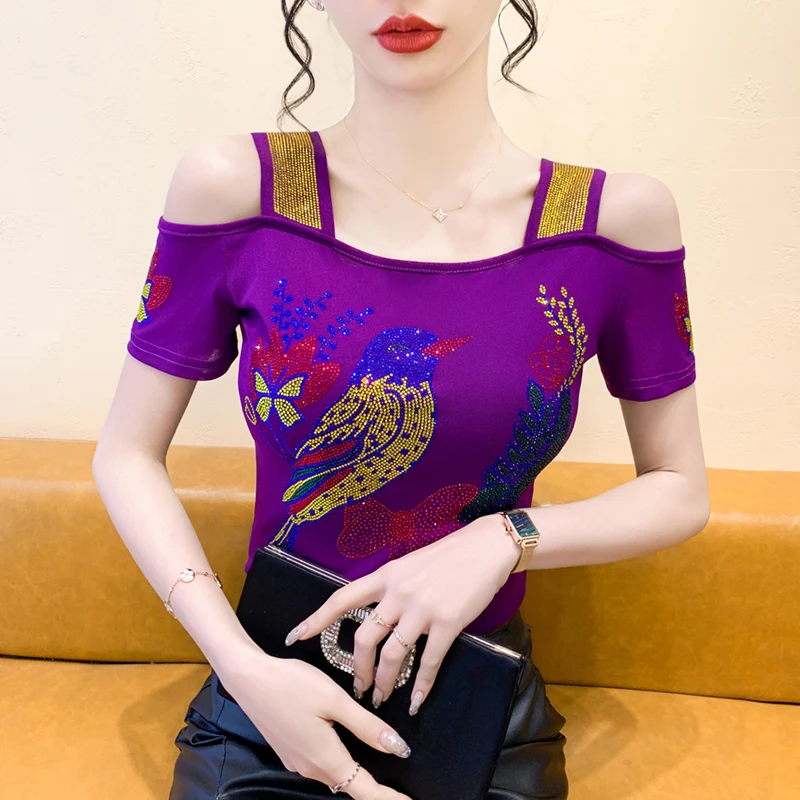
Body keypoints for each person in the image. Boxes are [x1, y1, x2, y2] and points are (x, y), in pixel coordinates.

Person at [92, 1, 711, 798]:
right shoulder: (238, 193)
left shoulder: (613, 224)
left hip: (475, 708)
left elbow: (679, 488)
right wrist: (242, 668)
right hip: (270, 694)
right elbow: (126, 454)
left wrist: (505, 537)